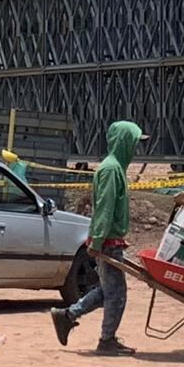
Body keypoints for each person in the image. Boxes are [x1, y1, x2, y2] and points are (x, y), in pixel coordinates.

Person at [49, 120, 148, 355]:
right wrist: (98, 240)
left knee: (108, 290)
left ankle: (67, 315)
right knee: (117, 294)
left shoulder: (115, 168)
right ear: (123, 142)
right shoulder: (111, 170)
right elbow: (104, 207)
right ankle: (106, 340)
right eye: (134, 143)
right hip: (107, 242)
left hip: (110, 240)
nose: (136, 149)